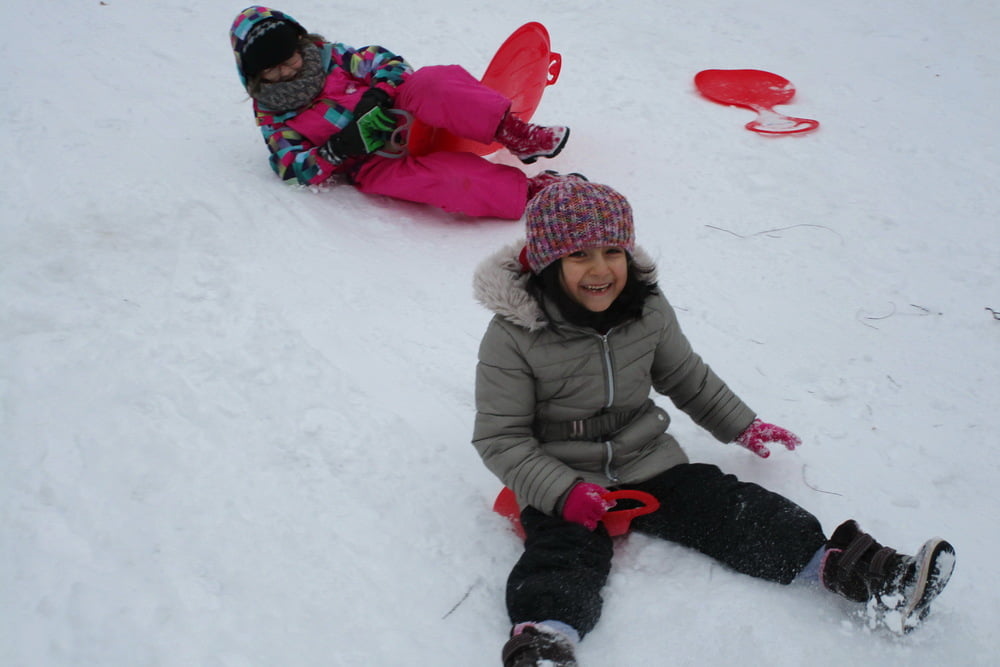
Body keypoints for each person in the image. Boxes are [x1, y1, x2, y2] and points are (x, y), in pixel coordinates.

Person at [471, 180, 956, 666]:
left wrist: (741, 424)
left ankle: (863, 573)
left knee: (730, 506)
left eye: (612, 251)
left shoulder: (647, 309)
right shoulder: (515, 335)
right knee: (562, 552)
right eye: (579, 255)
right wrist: (561, 491)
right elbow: (500, 436)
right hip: (561, 471)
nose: (600, 270)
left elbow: (684, 375)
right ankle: (546, 642)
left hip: (646, 458)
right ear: (548, 262)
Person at [230, 6, 576, 220]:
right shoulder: (273, 117)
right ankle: (531, 192)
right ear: (255, 76)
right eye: (271, 70)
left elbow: (388, 63)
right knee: (445, 182)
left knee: (433, 81)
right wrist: (337, 149)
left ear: (300, 45)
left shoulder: (331, 57)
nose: (285, 72)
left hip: (402, 110)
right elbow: (291, 168)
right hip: (372, 160)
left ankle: (516, 134)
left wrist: (379, 93)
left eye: (288, 59)